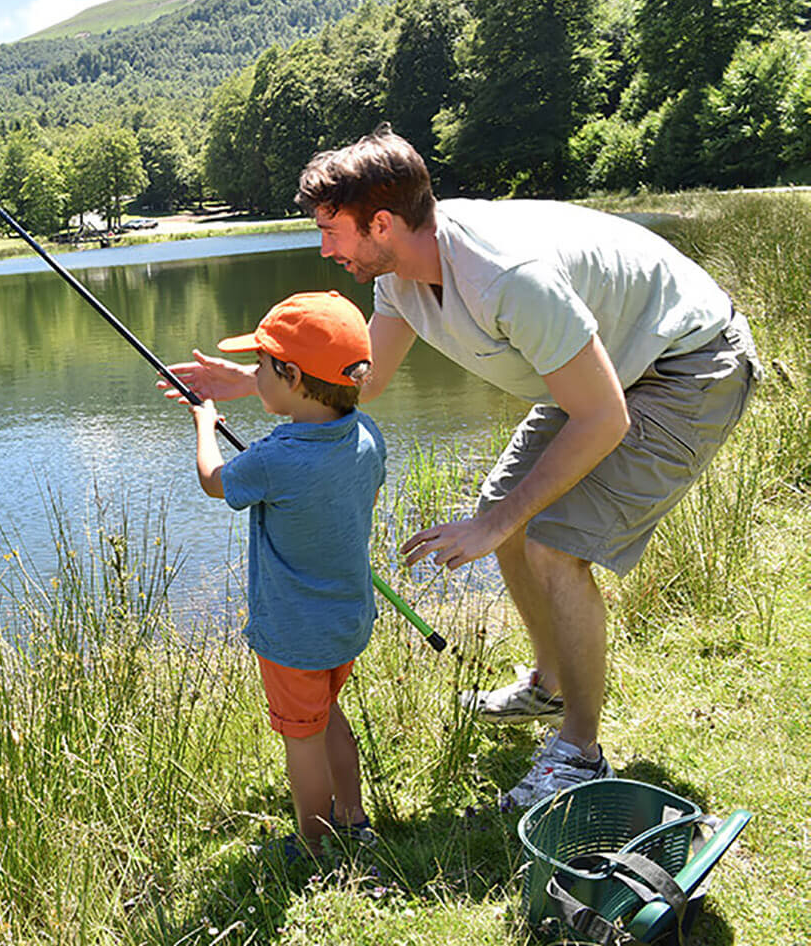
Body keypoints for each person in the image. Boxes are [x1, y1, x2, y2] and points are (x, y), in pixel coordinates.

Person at [169, 124, 759, 808]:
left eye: (331, 230)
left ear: (382, 222)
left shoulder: (507, 279)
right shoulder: (400, 276)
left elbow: (604, 419)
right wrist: (245, 382)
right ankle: (548, 683)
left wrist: (494, 523)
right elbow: (365, 380)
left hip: (685, 365)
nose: (323, 247)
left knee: (550, 538)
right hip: (607, 371)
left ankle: (580, 750)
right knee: (505, 505)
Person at [189, 290, 386, 853]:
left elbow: (216, 481)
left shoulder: (275, 459)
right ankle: (352, 818)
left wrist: (206, 423)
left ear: (293, 376)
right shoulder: (368, 433)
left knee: (302, 738)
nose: (255, 375)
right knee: (327, 715)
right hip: (346, 620)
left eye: (261, 367)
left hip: (294, 632)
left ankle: (314, 845)